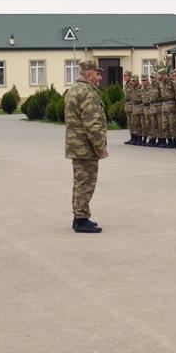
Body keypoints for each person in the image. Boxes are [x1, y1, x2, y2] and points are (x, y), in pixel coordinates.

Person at [64, 61, 108, 234]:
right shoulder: (87, 92)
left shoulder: (73, 89)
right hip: (85, 145)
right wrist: (99, 147)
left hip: (76, 144)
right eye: (97, 74)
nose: (100, 77)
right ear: (89, 74)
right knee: (86, 183)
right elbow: (92, 124)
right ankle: (81, 219)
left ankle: (79, 217)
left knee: (80, 182)